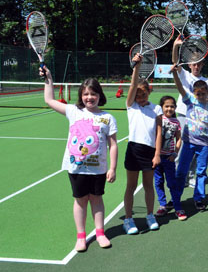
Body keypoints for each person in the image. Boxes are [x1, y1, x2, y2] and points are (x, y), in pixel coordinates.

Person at [40, 66, 117, 251]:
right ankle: (81, 237)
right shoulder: (73, 111)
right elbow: (49, 99)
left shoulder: (108, 118)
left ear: (100, 95)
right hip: (76, 168)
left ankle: (100, 233)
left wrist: (112, 168)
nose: (89, 97)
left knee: (97, 200)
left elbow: (113, 144)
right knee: (80, 200)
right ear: (81, 96)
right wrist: (48, 77)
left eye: (93, 93)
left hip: (98, 169)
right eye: (85, 94)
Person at [171, 64, 208, 219]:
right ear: (194, 93)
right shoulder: (190, 101)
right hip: (189, 143)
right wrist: (175, 75)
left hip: (204, 145)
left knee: (201, 172)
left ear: (207, 93)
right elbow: (180, 88)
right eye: (198, 94)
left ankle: (198, 198)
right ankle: (176, 197)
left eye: (204, 93)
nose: (201, 96)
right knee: (181, 171)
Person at [123, 54, 161, 234]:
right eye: (137, 95)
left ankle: (150, 215)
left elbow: (159, 132)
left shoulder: (156, 109)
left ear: (149, 91)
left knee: (148, 186)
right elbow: (132, 86)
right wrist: (136, 68)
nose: (140, 97)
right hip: (133, 150)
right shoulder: (131, 106)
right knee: (130, 186)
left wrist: (157, 154)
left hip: (149, 152)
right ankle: (129, 220)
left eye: (143, 94)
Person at [172, 36, 208, 189]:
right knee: (182, 146)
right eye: (194, 64)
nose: (196, 66)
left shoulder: (206, 82)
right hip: (183, 115)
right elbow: (175, 64)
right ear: (189, 64)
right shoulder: (185, 75)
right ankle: (178, 174)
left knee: (197, 149)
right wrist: (175, 46)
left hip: (199, 120)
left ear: (202, 64)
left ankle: (191, 176)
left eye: (199, 64)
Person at [152, 96, 181, 217]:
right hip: (157, 158)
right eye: (166, 106)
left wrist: (175, 153)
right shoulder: (157, 119)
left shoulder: (176, 122)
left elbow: (179, 139)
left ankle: (177, 206)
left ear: (175, 108)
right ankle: (162, 205)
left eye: (172, 106)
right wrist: (154, 155)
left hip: (169, 158)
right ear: (161, 107)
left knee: (171, 183)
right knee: (158, 182)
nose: (169, 108)